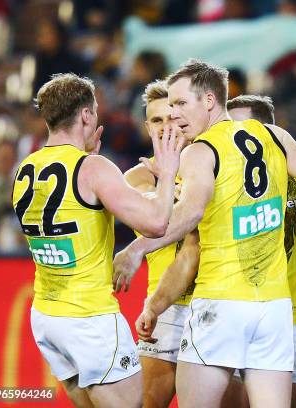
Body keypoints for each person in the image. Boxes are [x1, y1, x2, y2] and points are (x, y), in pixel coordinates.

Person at [116, 59, 296, 408]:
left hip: (220, 301)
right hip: (274, 310)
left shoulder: (201, 150)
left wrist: (136, 250)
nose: (174, 113)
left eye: (180, 103)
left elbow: (189, 213)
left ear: (209, 101)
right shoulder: (274, 135)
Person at [11, 73, 183, 407]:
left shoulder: (25, 168)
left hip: (47, 317)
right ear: (87, 116)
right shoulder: (93, 168)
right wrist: (168, 171)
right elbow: (157, 222)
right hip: (89, 318)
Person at [226, 94, 296, 408]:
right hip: (235, 313)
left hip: (292, 318)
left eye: (239, 127)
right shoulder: (220, 178)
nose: (233, 136)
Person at [120, 79, 195, 408]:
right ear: (146, 126)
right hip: (163, 310)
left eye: (171, 116)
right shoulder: (136, 178)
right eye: (157, 120)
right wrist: (171, 183)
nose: (166, 126)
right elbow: (157, 218)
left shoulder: (209, 164)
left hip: (215, 298)